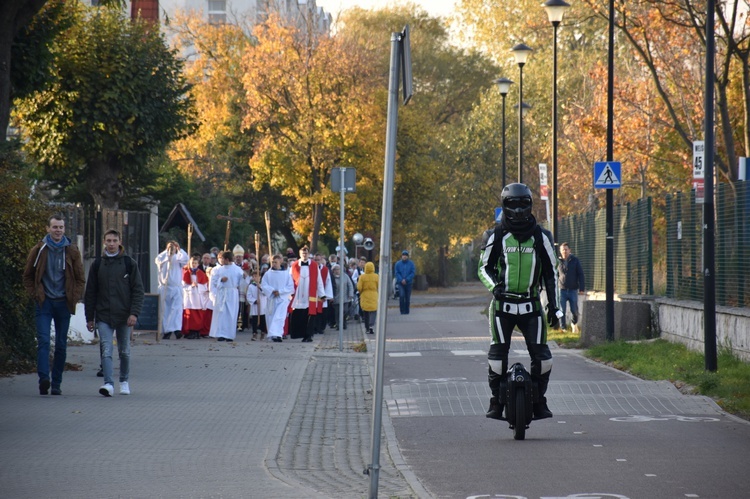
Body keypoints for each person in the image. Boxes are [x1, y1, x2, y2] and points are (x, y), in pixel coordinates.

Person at [478, 182, 562, 421]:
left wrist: (554, 307)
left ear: (530, 204)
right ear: (504, 206)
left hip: (531, 305)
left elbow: (551, 273)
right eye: (512, 204)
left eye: (522, 204)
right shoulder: (495, 234)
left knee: (544, 359)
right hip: (502, 306)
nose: (517, 210)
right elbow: (483, 268)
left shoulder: (541, 236)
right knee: (496, 357)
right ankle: (496, 400)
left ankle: (539, 401)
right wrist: (496, 288)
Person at [23, 214, 85, 396]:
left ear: (65, 229)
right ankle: (44, 379)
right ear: (48, 229)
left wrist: (74, 296)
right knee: (43, 341)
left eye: (61, 227)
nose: (58, 230)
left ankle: (56, 383)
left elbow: (80, 278)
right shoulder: (39, 250)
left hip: (63, 303)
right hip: (45, 302)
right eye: (55, 227)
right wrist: (35, 294)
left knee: (61, 344)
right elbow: (27, 276)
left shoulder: (72, 251)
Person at [84, 229, 144, 397]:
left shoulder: (129, 263)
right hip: (103, 315)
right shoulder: (97, 264)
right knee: (106, 349)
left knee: (124, 351)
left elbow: (138, 291)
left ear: (119, 241)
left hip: (124, 315)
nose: (111, 243)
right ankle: (108, 384)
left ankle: (124, 381)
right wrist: (89, 318)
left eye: (114, 240)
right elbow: (90, 293)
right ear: (104, 242)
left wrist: (134, 313)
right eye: (108, 240)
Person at [288, 246, 325, 342]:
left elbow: (319, 280)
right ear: (300, 254)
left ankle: (308, 336)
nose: (304, 255)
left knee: (309, 316)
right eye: (302, 253)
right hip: (298, 295)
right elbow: (289, 280)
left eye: (306, 253)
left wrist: (322, 294)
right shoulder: (294, 265)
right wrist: (290, 293)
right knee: (299, 315)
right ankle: (299, 334)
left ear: (308, 254)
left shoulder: (314, 265)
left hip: (310, 295)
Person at [155, 240, 188, 339]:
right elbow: (158, 260)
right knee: (165, 310)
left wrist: (179, 249)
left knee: (176, 309)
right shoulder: (162, 258)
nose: (171, 250)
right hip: (165, 287)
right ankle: (166, 330)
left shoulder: (178, 259)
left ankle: (176, 329)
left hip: (176, 287)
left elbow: (185, 259)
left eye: (173, 248)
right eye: (170, 247)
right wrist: (167, 251)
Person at [208, 251, 243, 342]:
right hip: (222, 293)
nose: (221, 261)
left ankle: (229, 335)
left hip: (232, 293)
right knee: (221, 314)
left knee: (231, 314)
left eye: (222, 259)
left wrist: (245, 277)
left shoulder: (237, 269)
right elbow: (213, 282)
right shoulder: (218, 269)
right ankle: (220, 334)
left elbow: (242, 282)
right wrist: (221, 280)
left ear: (227, 259)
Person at [260, 254, 294, 342]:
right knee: (271, 316)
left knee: (279, 317)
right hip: (272, 298)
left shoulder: (286, 274)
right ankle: (272, 335)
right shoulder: (268, 273)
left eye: (276, 262)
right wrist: (272, 291)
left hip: (282, 299)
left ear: (280, 262)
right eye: (272, 262)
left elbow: (290, 286)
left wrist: (280, 291)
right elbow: (264, 285)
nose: (274, 264)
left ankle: (278, 334)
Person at [558, 242, 585, 331]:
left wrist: (582, 288)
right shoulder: (558, 261)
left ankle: (574, 324)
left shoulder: (575, 260)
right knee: (562, 310)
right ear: (560, 251)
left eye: (566, 249)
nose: (564, 251)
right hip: (561, 289)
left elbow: (580, 274)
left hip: (573, 289)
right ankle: (563, 328)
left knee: (574, 310)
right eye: (563, 250)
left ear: (570, 250)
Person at [181, 255, 209, 339]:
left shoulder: (201, 274)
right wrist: (190, 286)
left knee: (197, 314)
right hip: (189, 296)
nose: (194, 264)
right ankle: (188, 331)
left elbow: (205, 286)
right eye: (192, 263)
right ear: (189, 263)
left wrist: (198, 285)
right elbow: (183, 286)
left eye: (195, 263)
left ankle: (196, 331)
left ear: (198, 264)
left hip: (197, 296)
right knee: (188, 313)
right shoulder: (186, 273)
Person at [357, 261, 378, 335]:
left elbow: (359, 287)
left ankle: (367, 328)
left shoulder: (362, 277)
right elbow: (379, 286)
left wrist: (361, 292)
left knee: (366, 312)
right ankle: (371, 325)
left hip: (365, 295)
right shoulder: (376, 276)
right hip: (374, 295)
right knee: (373, 311)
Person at [331, 264, 354, 330]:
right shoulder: (332, 278)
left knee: (345, 311)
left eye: (338, 269)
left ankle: (344, 324)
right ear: (333, 271)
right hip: (336, 298)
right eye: (335, 269)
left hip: (345, 298)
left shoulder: (345, 276)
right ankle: (338, 325)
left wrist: (350, 294)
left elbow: (350, 285)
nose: (337, 271)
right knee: (337, 313)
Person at [246, 269, 267, 340]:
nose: (255, 278)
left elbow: (265, 293)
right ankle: (254, 333)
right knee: (254, 320)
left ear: (260, 277)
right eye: (254, 276)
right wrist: (254, 301)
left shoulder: (263, 285)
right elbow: (248, 296)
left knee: (262, 320)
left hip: (262, 305)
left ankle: (263, 332)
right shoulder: (251, 286)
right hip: (255, 306)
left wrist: (260, 288)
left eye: (257, 276)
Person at [394, 250, 416, 315]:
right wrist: (401, 280)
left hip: (408, 283)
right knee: (401, 295)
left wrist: (406, 280)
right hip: (400, 283)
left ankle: (407, 310)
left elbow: (412, 273)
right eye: (403, 255)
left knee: (407, 297)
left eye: (406, 255)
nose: (404, 257)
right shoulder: (398, 264)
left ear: (407, 256)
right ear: (401, 256)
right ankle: (402, 310)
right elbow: (397, 273)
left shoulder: (411, 264)